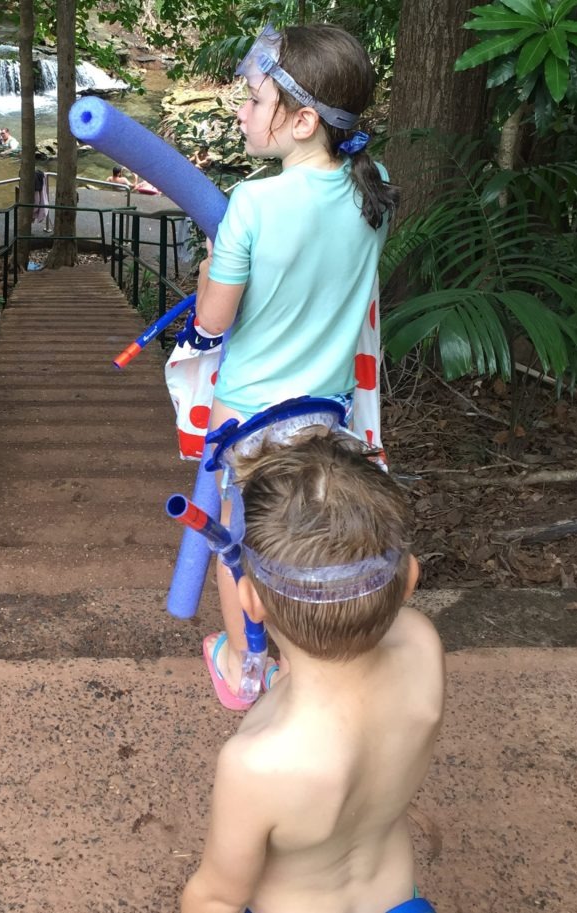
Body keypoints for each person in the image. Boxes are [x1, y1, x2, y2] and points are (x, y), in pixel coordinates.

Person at [192, 23, 400, 709]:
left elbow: (212, 322)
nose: (240, 112)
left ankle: (245, 665)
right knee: (307, 540)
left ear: (303, 120)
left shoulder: (252, 204)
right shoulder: (377, 189)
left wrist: (204, 276)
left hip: (247, 414)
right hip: (326, 417)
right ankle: (313, 655)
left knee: (238, 544)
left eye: (253, 100)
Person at [182, 434, 444, 913]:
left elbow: (218, 896)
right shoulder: (422, 647)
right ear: (409, 578)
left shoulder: (257, 763)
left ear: (251, 604)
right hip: (397, 900)